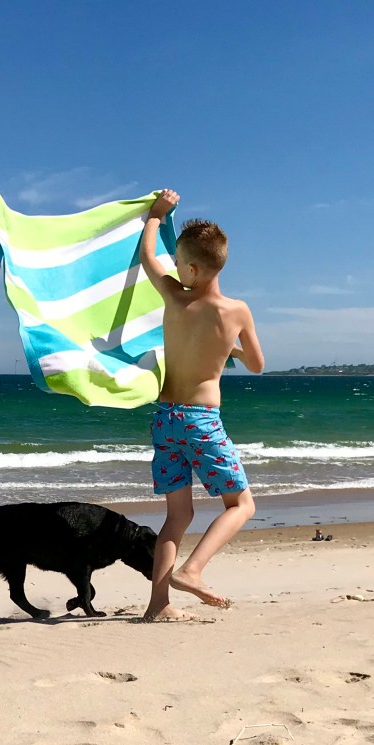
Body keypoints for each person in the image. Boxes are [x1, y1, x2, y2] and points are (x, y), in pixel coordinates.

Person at [138, 189, 265, 622]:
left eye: (179, 263)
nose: (173, 267)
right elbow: (258, 364)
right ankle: (192, 570)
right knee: (242, 505)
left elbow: (147, 256)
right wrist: (229, 349)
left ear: (191, 268)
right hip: (201, 422)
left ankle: (158, 605)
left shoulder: (174, 295)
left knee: (177, 516)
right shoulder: (236, 311)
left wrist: (156, 216)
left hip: (165, 419)